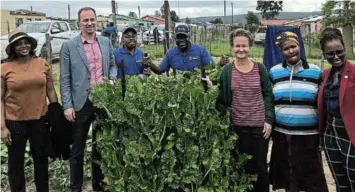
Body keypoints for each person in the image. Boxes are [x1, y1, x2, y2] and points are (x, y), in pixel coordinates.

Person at [59, 7, 117, 192]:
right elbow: (65, 78)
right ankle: (75, 187)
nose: (90, 23)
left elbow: (113, 64)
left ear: (96, 21)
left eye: (92, 19)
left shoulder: (106, 42)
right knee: (78, 148)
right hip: (81, 102)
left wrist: (112, 78)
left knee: (100, 144)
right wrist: (67, 105)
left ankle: (97, 182)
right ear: (79, 23)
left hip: (102, 100)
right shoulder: (69, 46)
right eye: (86, 20)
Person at [213, 29, 274, 192]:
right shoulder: (227, 71)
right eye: (237, 46)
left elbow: (268, 93)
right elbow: (223, 98)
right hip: (237, 127)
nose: (241, 49)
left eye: (244, 46)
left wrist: (268, 120)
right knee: (242, 168)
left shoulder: (259, 69)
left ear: (250, 47)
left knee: (261, 168)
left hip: (260, 127)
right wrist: (211, 89)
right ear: (232, 47)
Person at [268, 31, 328, 192]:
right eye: (286, 48)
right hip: (282, 134)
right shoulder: (274, 72)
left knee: (311, 179)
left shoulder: (315, 72)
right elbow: (268, 100)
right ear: (282, 52)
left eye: (293, 46)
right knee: (289, 178)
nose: (291, 51)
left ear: (299, 46)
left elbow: (322, 101)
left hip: (309, 135)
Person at [1, 29, 58, 192]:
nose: (23, 46)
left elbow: (51, 90)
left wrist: (55, 114)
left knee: (41, 159)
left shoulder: (42, 63)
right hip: (15, 121)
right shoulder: (4, 68)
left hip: (39, 119)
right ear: (12, 48)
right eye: (18, 44)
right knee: (16, 162)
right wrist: (2, 127)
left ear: (31, 45)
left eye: (26, 42)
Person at [318, 28, 355, 192]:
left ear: (345, 49)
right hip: (330, 134)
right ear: (324, 54)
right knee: (339, 180)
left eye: (339, 52)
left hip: (351, 134)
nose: (336, 57)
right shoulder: (325, 74)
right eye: (330, 54)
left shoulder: (354, 73)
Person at [144, 24, 215, 74]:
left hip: (198, 88)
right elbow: (160, 70)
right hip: (178, 91)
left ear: (188, 37)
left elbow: (211, 66)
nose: (181, 40)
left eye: (184, 37)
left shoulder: (200, 50)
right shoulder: (170, 53)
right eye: (179, 37)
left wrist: (220, 64)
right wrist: (150, 64)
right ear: (175, 38)